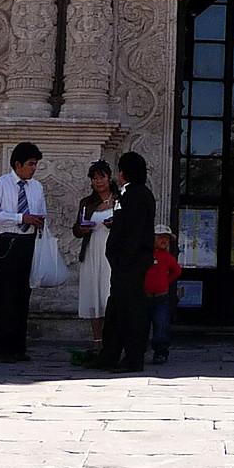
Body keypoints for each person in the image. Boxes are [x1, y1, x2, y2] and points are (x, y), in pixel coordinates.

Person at [0, 142, 47, 363]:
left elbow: (41, 210)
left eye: (35, 164)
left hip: (28, 242)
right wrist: (21, 218)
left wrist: (38, 221)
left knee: (22, 295)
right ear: (18, 164)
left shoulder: (36, 187)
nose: (33, 168)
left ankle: (18, 346)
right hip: (9, 241)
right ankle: (2, 348)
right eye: (30, 164)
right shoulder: (0, 184)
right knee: (5, 295)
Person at [96, 149, 156, 373]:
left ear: (123, 173)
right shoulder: (142, 194)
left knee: (130, 311)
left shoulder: (130, 195)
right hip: (131, 261)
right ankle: (110, 354)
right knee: (117, 310)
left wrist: (121, 258)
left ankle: (131, 357)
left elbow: (132, 231)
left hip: (129, 263)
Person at [71, 160, 116, 366]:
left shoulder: (119, 200)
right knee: (94, 295)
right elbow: (77, 229)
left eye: (102, 177)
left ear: (109, 178)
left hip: (113, 252)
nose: (98, 182)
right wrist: (83, 229)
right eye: (95, 178)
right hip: (92, 251)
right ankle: (97, 341)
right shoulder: (87, 203)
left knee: (110, 295)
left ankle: (113, 341)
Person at [144, 225, 182, 366]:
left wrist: (166, 282)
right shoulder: (146, 255)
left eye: (166, 238)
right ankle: (139, 350)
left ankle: (160, 352)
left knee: (161, 325)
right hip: (145, 296)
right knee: (142, 325)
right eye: (160, 237)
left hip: (161, 297)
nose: (164, 241)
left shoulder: (168, 257)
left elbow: (177, 271)